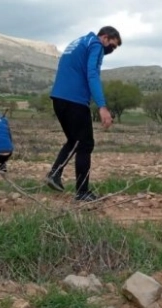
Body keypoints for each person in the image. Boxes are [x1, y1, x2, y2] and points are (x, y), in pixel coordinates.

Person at [44, 26, 121, 202]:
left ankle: (54, 174)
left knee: (74, 141)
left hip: (58, 98)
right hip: (75, 101)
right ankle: (82, 192)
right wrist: (102, 106)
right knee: (85, 145)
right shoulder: (95, 44)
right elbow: (92, 74)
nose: (111, 50)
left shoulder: (78, 42)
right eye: (113, 46)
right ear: (105, 37)